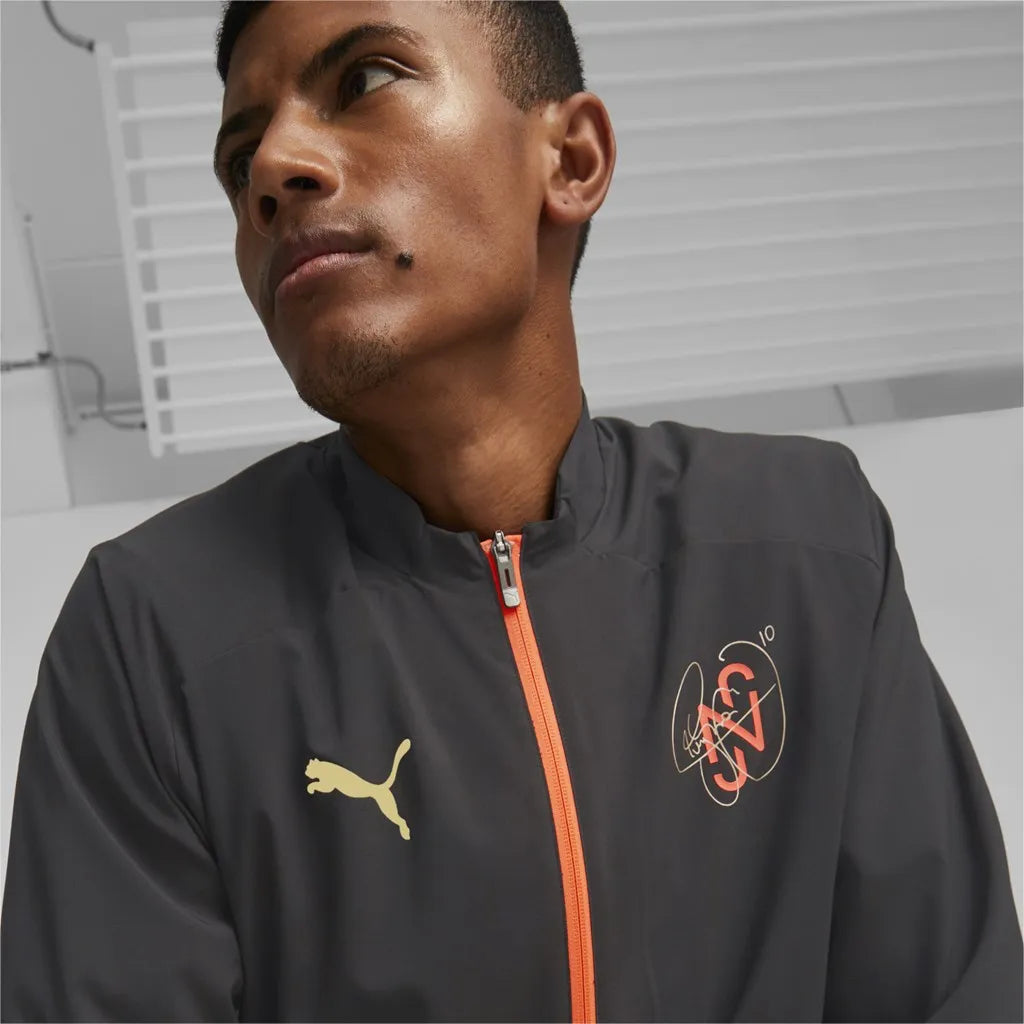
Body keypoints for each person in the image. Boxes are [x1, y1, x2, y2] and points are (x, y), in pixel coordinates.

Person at [2, 1, 1021, 1020]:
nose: (271, 169)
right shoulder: (150, 633)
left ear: (570, 160)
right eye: (238, 162)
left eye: (365, 80)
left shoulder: (807, 540)